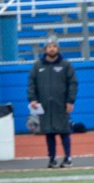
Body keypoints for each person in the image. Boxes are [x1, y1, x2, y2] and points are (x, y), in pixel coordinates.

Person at [28, 35, 78, 168]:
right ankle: (52, 158)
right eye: (49, 46)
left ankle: (68, 158)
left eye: (54, 46)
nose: (52, 49)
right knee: (49, 132)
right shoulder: (37, 66)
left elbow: (73, 84)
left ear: (58, 48)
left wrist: (70, 101)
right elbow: (31, 84)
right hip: (45, 105)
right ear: (45, 49)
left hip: (61, 105)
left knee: (64, 131)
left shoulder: (66, 65)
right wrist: (32, 99)